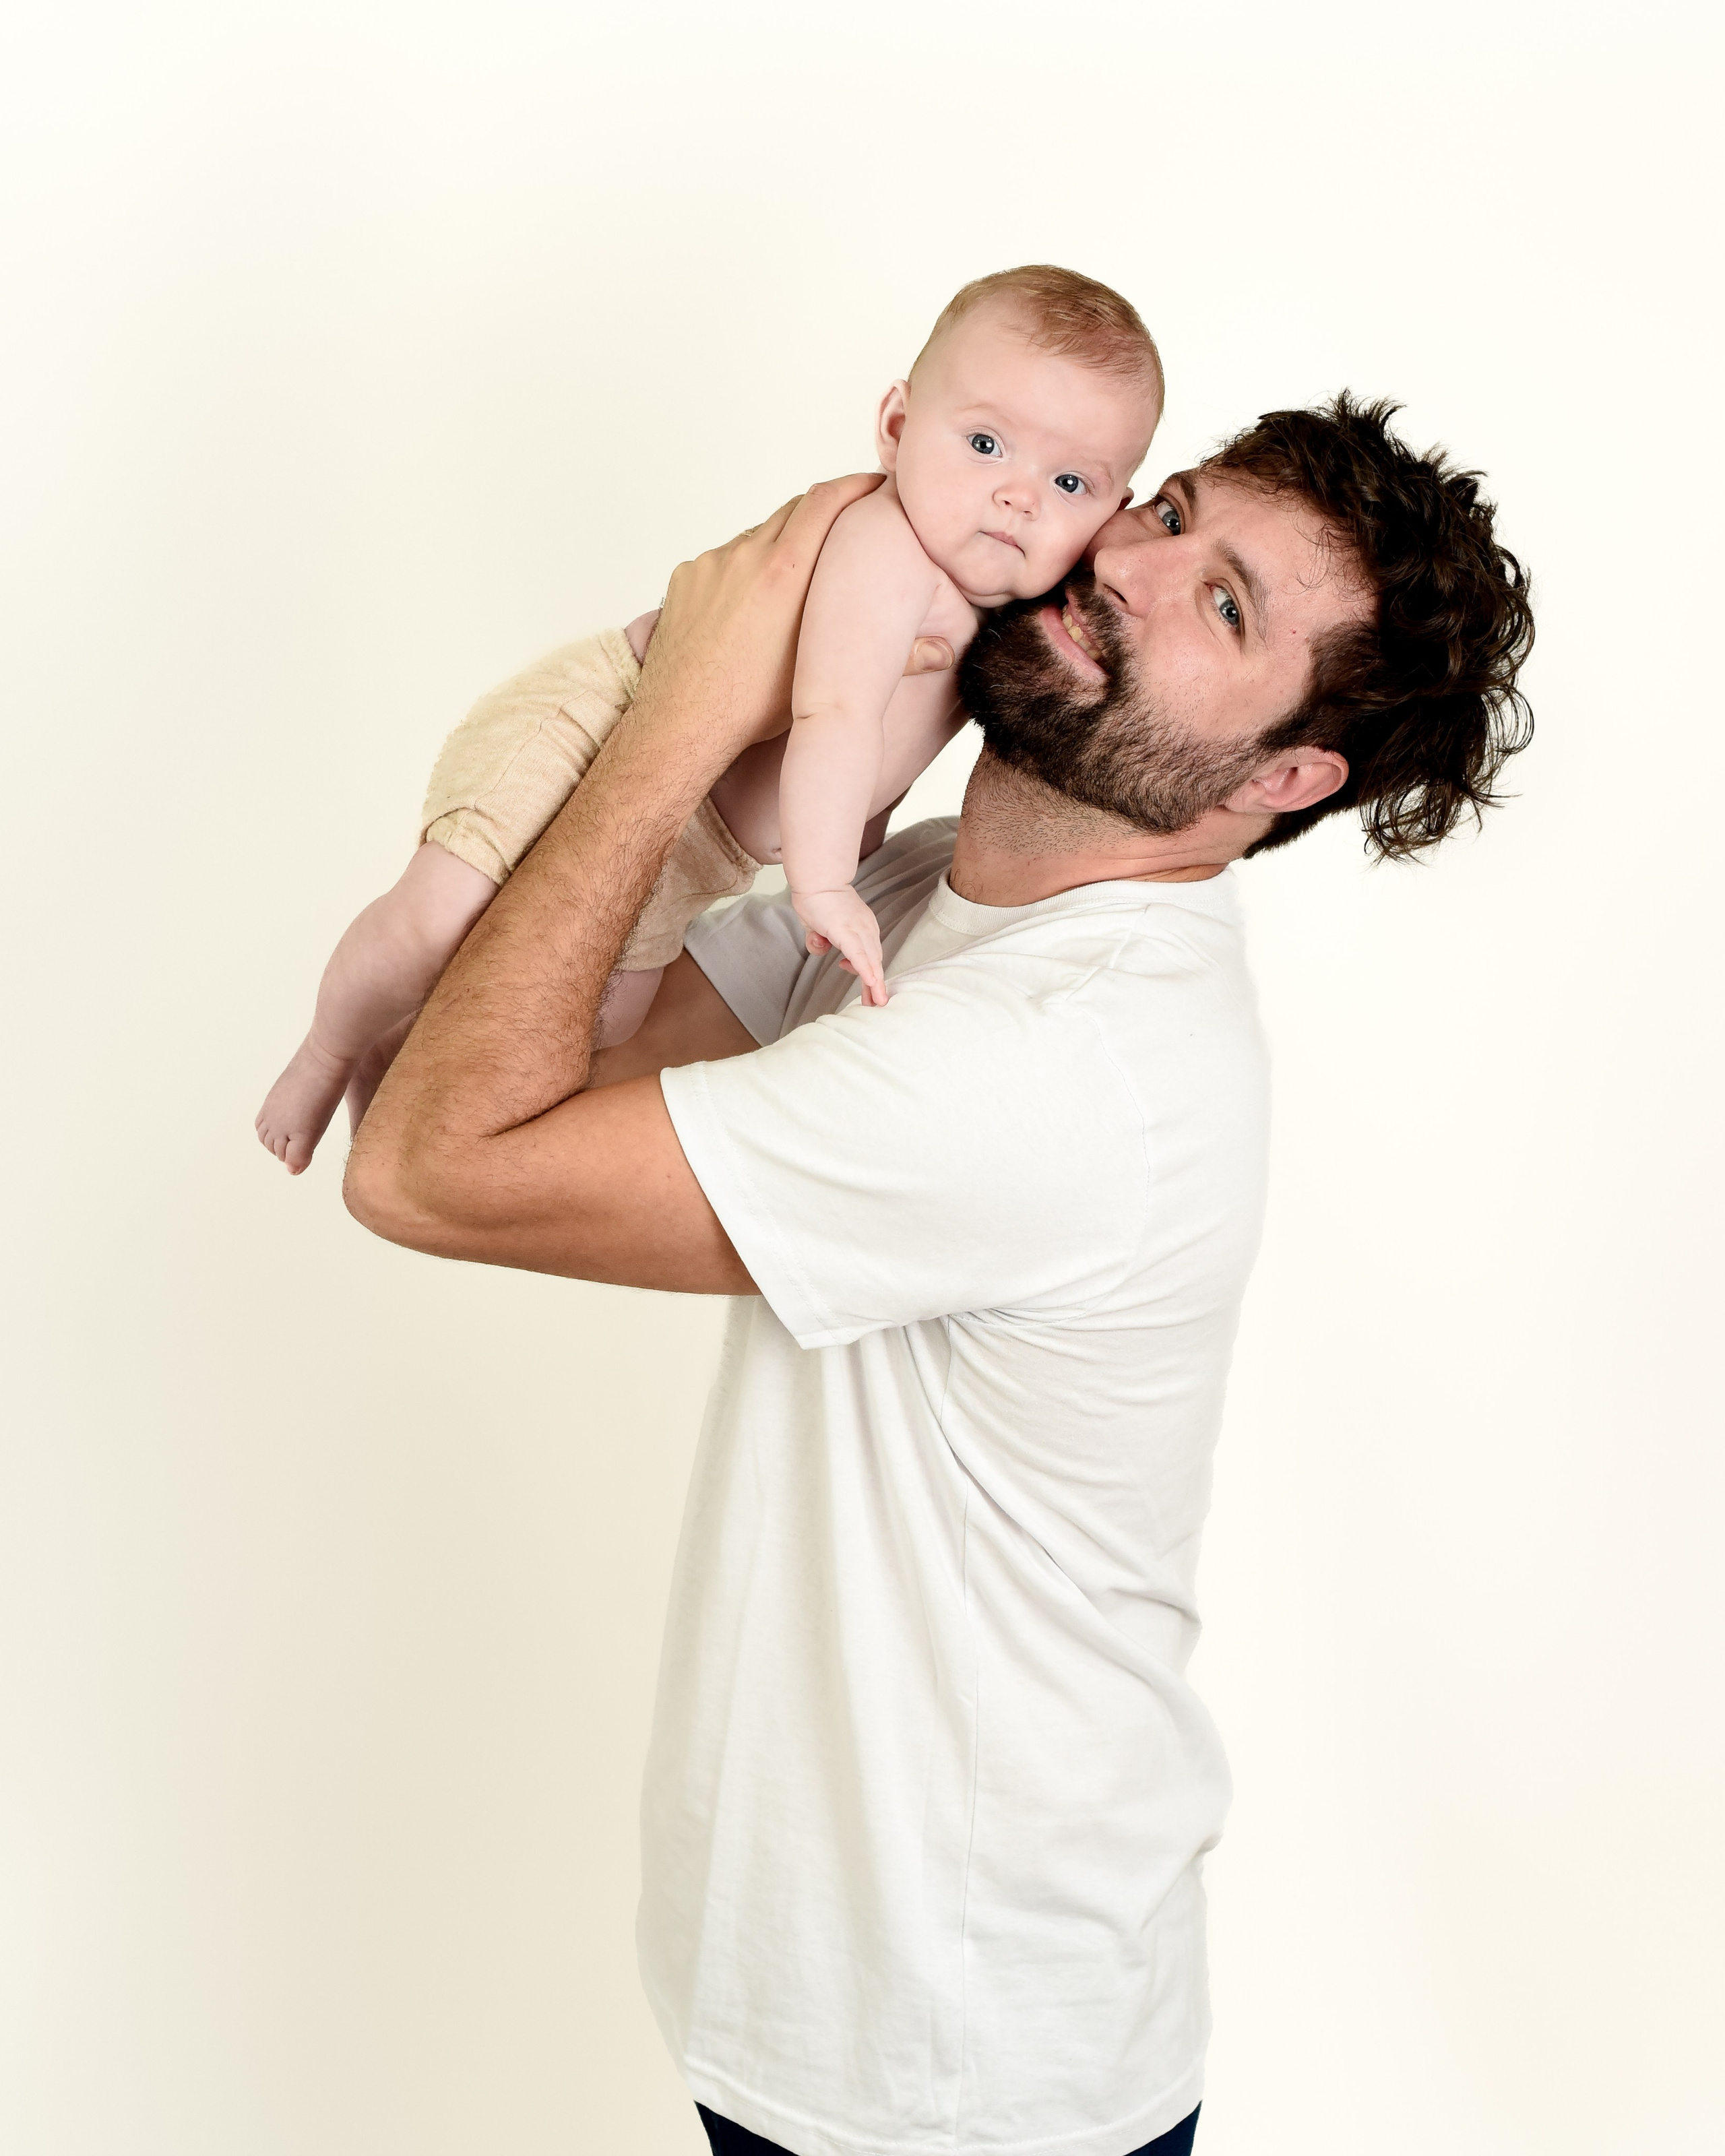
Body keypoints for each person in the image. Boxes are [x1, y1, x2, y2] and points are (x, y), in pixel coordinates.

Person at [342, 394, 1534, 2156]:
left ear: (1286, 780)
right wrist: (815, 744)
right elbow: (494, 1051)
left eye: (1224, 607)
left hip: (956, 2078)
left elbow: (430, 1165)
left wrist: (690, 714)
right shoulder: (917, 893)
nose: (1118, 564)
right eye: (1172, 509)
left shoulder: (1060, 1064)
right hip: (836, 2022)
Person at [254, 265, 1162, 1171]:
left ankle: (399, 1040)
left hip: (685, 843)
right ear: (896, 427)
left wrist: (870, 847)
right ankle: (329, 1048)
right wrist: (828, 886)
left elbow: (888, 760)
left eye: (1072, 482)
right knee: (435, 921)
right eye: (985, 444)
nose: (1020, 496)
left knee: (597, 1025)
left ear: (1115, 513)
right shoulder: (887, 549)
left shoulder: (1008, 631)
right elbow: (837, 713)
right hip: (597, 731)